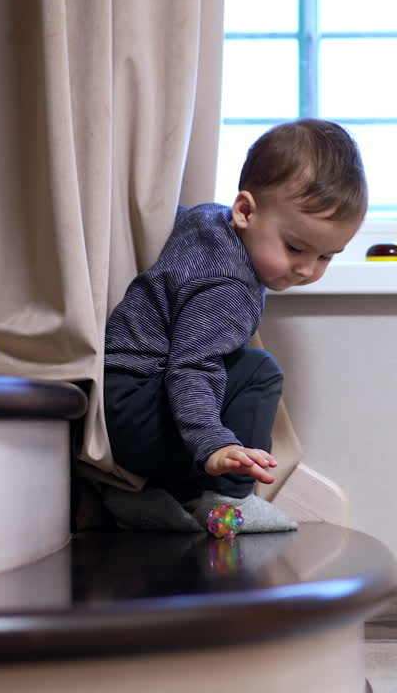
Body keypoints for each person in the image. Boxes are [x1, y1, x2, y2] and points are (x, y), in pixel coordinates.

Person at [102, 118, 367, 505]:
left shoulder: (208, 219)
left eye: (326, 255)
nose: (308, 270)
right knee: (258, 372)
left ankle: (155, 501)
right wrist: (215, 444)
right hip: (133, 407)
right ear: (245, 210)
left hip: (116, 395)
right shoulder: (229, 287)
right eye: (295, 248)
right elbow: (192, 367)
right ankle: (229, 500)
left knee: (236, 366)